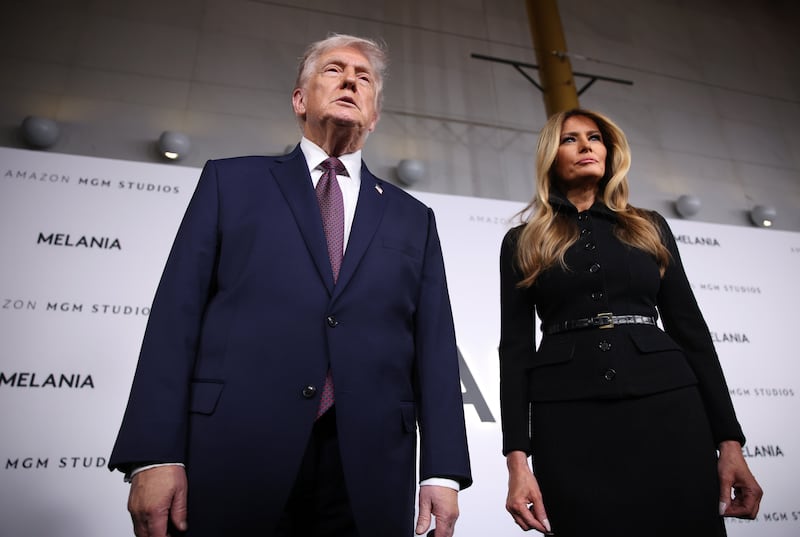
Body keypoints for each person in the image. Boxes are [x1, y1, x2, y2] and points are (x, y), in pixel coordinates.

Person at [109, 34, 472, 537]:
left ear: (375, 114)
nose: (350, 79)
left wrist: (442, 470)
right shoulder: (230, 184)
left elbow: (433, 346)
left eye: (363, 76)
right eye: (333, 70)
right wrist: (153, 454)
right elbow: (176, 318)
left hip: (368, 468)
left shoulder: (414, 218)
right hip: (235, 450)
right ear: (299, 100)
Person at [498, 108, 762, 536]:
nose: (586, 145)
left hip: (671, 410)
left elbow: (690, 331)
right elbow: (514, 351)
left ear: (610, 151)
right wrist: (517, 459)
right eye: (570, 139)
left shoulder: (649, 227)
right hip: (568, 420)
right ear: (550, 155)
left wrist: (730, 443)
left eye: (595, 137)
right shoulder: (522, 240)